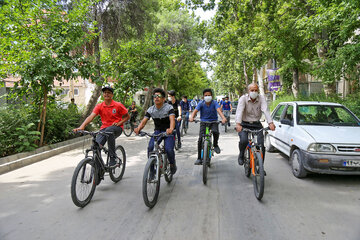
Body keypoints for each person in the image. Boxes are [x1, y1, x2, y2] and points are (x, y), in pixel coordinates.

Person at [73, 85, 130, 167]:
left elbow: (127, 116)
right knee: (95, 147)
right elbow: (91, 117)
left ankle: (112, 157)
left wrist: (119, 122)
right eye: (105, 92)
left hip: (117, 128)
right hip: (104, 129)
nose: (107, 94)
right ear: (103, 94)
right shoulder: (99, 106)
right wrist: (82, 126)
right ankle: (99, 170)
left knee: (109, 131)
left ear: (112, 95)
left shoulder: (118, 105)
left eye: (109, 93)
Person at [134, 88, 177, 174]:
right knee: (150, 148)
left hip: (169, 132)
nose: (156, 98)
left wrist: (171, 129)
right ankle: (152, 171)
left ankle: (172, 164)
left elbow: (172, 120)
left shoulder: (169, 108)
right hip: (158, 131)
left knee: (169, 149)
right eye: (154, 96)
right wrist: (138, 129)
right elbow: (143, 122)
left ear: (164, 99)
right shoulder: (151, 109)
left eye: (159, 96)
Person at [235, 83, 276, 172]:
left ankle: (260, 167)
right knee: (244, 141)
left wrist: (270, 123)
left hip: (256, 124)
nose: (254, 92)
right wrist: (238, 124)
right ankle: (241, 154)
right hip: (244, 123)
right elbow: (239, 111)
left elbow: (265, 110)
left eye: (256, 90)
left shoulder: (261, 98)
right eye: (252, 90)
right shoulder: (243, 99)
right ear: (248, 91)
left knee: (261, 145)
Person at [189, 88, 227, 165]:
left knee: (216, 132)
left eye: (209, 95)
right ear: (203, 96)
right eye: (205, 95)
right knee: (200, 140)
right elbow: (195, 111)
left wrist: (223, 118)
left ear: (212, 96)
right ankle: (199, 158)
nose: (207, 97)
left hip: (213, 121)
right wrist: (191, 117)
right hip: (203, 122)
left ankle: (215, 144)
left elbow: (219, 111)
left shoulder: (215, 103)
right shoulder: (201, 103)